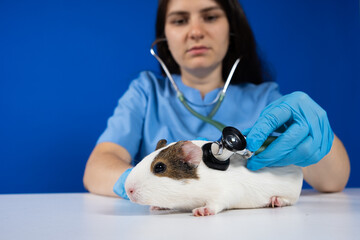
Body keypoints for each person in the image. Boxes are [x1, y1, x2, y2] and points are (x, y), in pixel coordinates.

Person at [83, 0, 350, 198]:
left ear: (231, 29)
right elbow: (97, 166)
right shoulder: (146, 92)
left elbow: (333, 182)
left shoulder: (265, 99)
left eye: (210, 17)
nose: (196, 31)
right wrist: (138, 183)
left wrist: (314, 135)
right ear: (165, 37)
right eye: (179, 20)